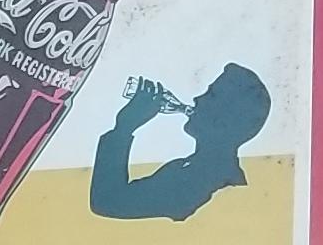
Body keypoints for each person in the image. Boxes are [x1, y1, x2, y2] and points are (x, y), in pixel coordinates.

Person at [89, 62, 272, 222]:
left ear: (224, 121)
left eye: (210, 95)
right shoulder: (196, 169)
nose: (197, 99)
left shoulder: (201, 180)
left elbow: (107, 202)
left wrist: (124, 128)